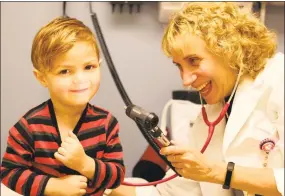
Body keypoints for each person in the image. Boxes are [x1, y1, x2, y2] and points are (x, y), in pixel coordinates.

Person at [109, 2, 284, 196]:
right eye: (179, 66)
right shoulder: (209, 119)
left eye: (194, 61)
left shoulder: (278, 80)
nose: (186, 80)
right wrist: (99, 179)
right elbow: (171, 193)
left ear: (229, 49)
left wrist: (218, 173)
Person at [0, 17, 125, 196]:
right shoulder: (28, 127)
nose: (80, 79)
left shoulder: (106, 123)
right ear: (42, 77)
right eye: (65, 71)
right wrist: (53, 186)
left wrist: (85, 164)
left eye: (89, 67)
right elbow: (9, 173)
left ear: (99, 65)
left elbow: (117, 176)